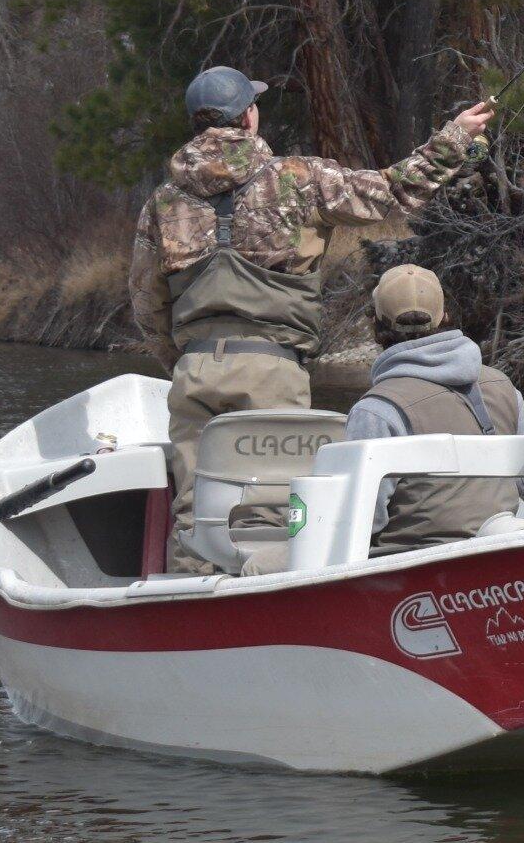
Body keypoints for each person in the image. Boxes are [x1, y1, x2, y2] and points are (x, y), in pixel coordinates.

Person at [128, 66, 493, 513]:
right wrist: (455, 138)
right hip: (273, 371)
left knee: (194, 513)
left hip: (194, 371)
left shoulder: (162, 202)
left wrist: (181, 362)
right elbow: (392, 191)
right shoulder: (297, 179)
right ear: (246, 118)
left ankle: (192, 579)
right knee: (273, 509)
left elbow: (147, 303)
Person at [344, 263, 524, 551]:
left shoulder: (376, 411)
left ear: (377, 325)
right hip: (499, 554)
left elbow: (361, 521)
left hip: (413, 566)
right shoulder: (505, 389)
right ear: (444, 316)